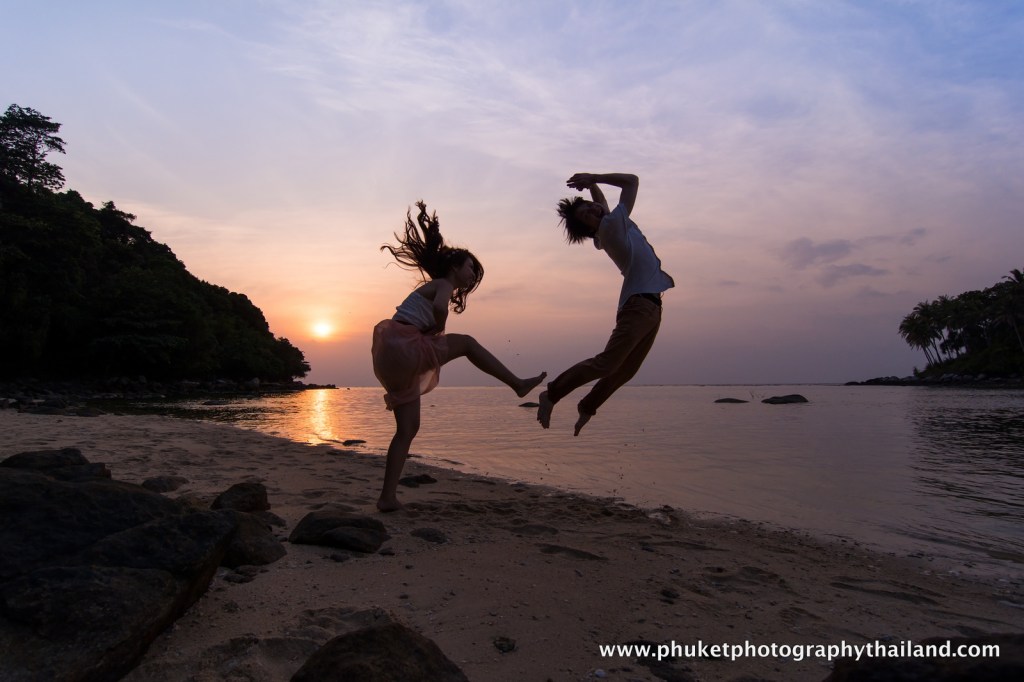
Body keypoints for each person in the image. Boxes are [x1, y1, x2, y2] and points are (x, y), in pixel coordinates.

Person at [372, 201, 546, 512]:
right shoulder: (442, 284)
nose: (473, 275)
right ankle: (517, 383)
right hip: (404, 345)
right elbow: (440, 308)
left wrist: (432, 333)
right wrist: (438, 328)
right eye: (470, 268)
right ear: (454, 267)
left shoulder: (435, 285)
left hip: (389, 356)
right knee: (466, 343)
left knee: (407, 430)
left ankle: (387, 498)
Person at [537, 172, 674, 436]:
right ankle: (552, 394)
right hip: (639, 306)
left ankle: (588, 406)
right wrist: (594, 177)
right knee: (607, 363)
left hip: (651, 308)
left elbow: (602, 207)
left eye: (590, 207)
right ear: (591, 228)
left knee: (626, 371)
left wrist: (593, 188)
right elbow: (632, 181)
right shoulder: (610, 227)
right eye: (587, 214)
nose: (593, 209)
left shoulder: (610, 228)